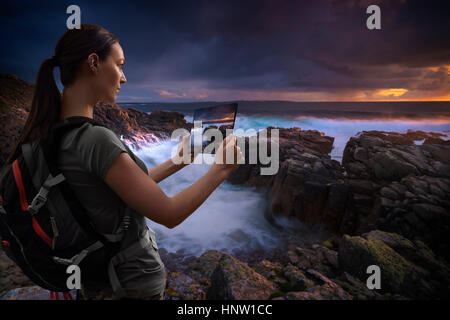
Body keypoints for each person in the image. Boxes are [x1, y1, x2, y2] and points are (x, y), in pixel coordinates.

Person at [7, 23, 243, 300]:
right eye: (119, 65)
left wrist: (179, 162)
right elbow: (169, 214)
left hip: (96, 279)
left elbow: (120, 190)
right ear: (93, 63)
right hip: (129, 286)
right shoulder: (94, 139)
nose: (124, 78)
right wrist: (221, 170)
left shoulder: (50, 135)